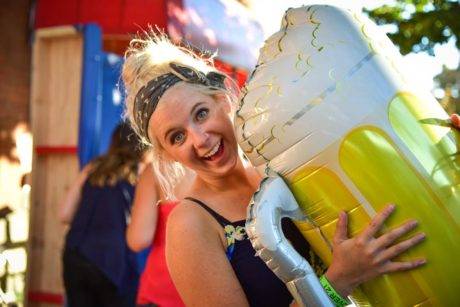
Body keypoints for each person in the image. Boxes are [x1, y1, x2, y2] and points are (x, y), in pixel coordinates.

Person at [121, 33, 455, 306]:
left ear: (223, 101)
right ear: (167, 154)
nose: (199, 138)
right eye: (177, 136)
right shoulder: (190, 225)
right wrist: (338, 282)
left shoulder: (280, 168)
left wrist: (437, 151)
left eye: (201, 113)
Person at [59, 123, 145, 307]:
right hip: (113, 263)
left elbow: (64, 214)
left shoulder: (93, 167)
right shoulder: (142, 172)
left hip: (76, 254)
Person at [126, 162, 193, 307]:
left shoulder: (157, 170)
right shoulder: (239, 166)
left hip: (163, 291)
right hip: (221, 293)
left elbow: (138, 240)